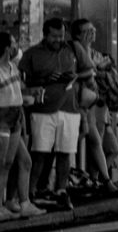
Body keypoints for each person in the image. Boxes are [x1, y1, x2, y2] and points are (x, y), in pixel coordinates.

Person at [20, 19, 82, 209]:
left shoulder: (72, 50)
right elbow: (22, 82)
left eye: (61, 36)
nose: (58, 40)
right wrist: (43, 79)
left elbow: (88, 71)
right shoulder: (32, 54)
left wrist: (75, 78)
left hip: (70, 108)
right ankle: (31, 191)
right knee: (40, 153)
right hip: (43, 109)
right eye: (54, 36)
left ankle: (61, 190)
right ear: (45, 35)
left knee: (66, 152)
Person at [0, 33, 37, 220]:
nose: (15, 47)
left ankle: (1, 204)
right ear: (6, 48)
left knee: (8, 163)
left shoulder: (12, 67)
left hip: (15, 116)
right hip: (1, 117)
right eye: (12, 44)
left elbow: (16, 93)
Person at [70, 19, 118, 196]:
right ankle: (99, 181)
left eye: (93, 30)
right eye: (87, 31)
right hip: (79, 104)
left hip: (95, 106)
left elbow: (102, 68)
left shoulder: (93, 52)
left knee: (99, 143)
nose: (92, 33)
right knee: (92, 140)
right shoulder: (76, 49)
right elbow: (86, 70)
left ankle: (98, 180)